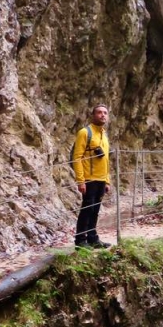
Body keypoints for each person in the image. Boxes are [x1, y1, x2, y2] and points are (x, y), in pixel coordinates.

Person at [73, 104, 111, 249]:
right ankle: (80, 240)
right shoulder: (85, 132)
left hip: (101, 179)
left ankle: (93, 238)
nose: (102, 115)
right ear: (93, 115)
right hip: (89, 178)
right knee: (87, 209)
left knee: (95, 210)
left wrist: (107, 180)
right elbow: (77, 157)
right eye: (99, 112)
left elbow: (106, 159)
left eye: (105, 113)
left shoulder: (104, 135)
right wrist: (80, 180)